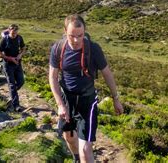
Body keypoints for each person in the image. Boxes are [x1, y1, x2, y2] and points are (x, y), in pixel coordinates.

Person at [49, 14, 123, 163]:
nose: (76, 40)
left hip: (87, 101)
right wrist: (60, 105)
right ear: (65, 31)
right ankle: (77, 159)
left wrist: (116, 99)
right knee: (69, 137)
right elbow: (52, 77)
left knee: (85, 149)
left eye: (80, 35)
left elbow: (107, 74)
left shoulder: (94, 49)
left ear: (85, 31)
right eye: (71, 36)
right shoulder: (58, 48)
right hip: (67, 100)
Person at [0, 24, 26, 112]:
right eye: (13, 33)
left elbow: (23, 48)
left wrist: (20, 55)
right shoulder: (5, 39)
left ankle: (12, 95)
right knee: (12, 85)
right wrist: (10, 58)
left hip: (17, 63)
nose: (14, 35)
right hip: (8, 64)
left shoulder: (19, 38)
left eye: (16, 33)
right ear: (9, 31)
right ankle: (16, 105)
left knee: (21, 82)